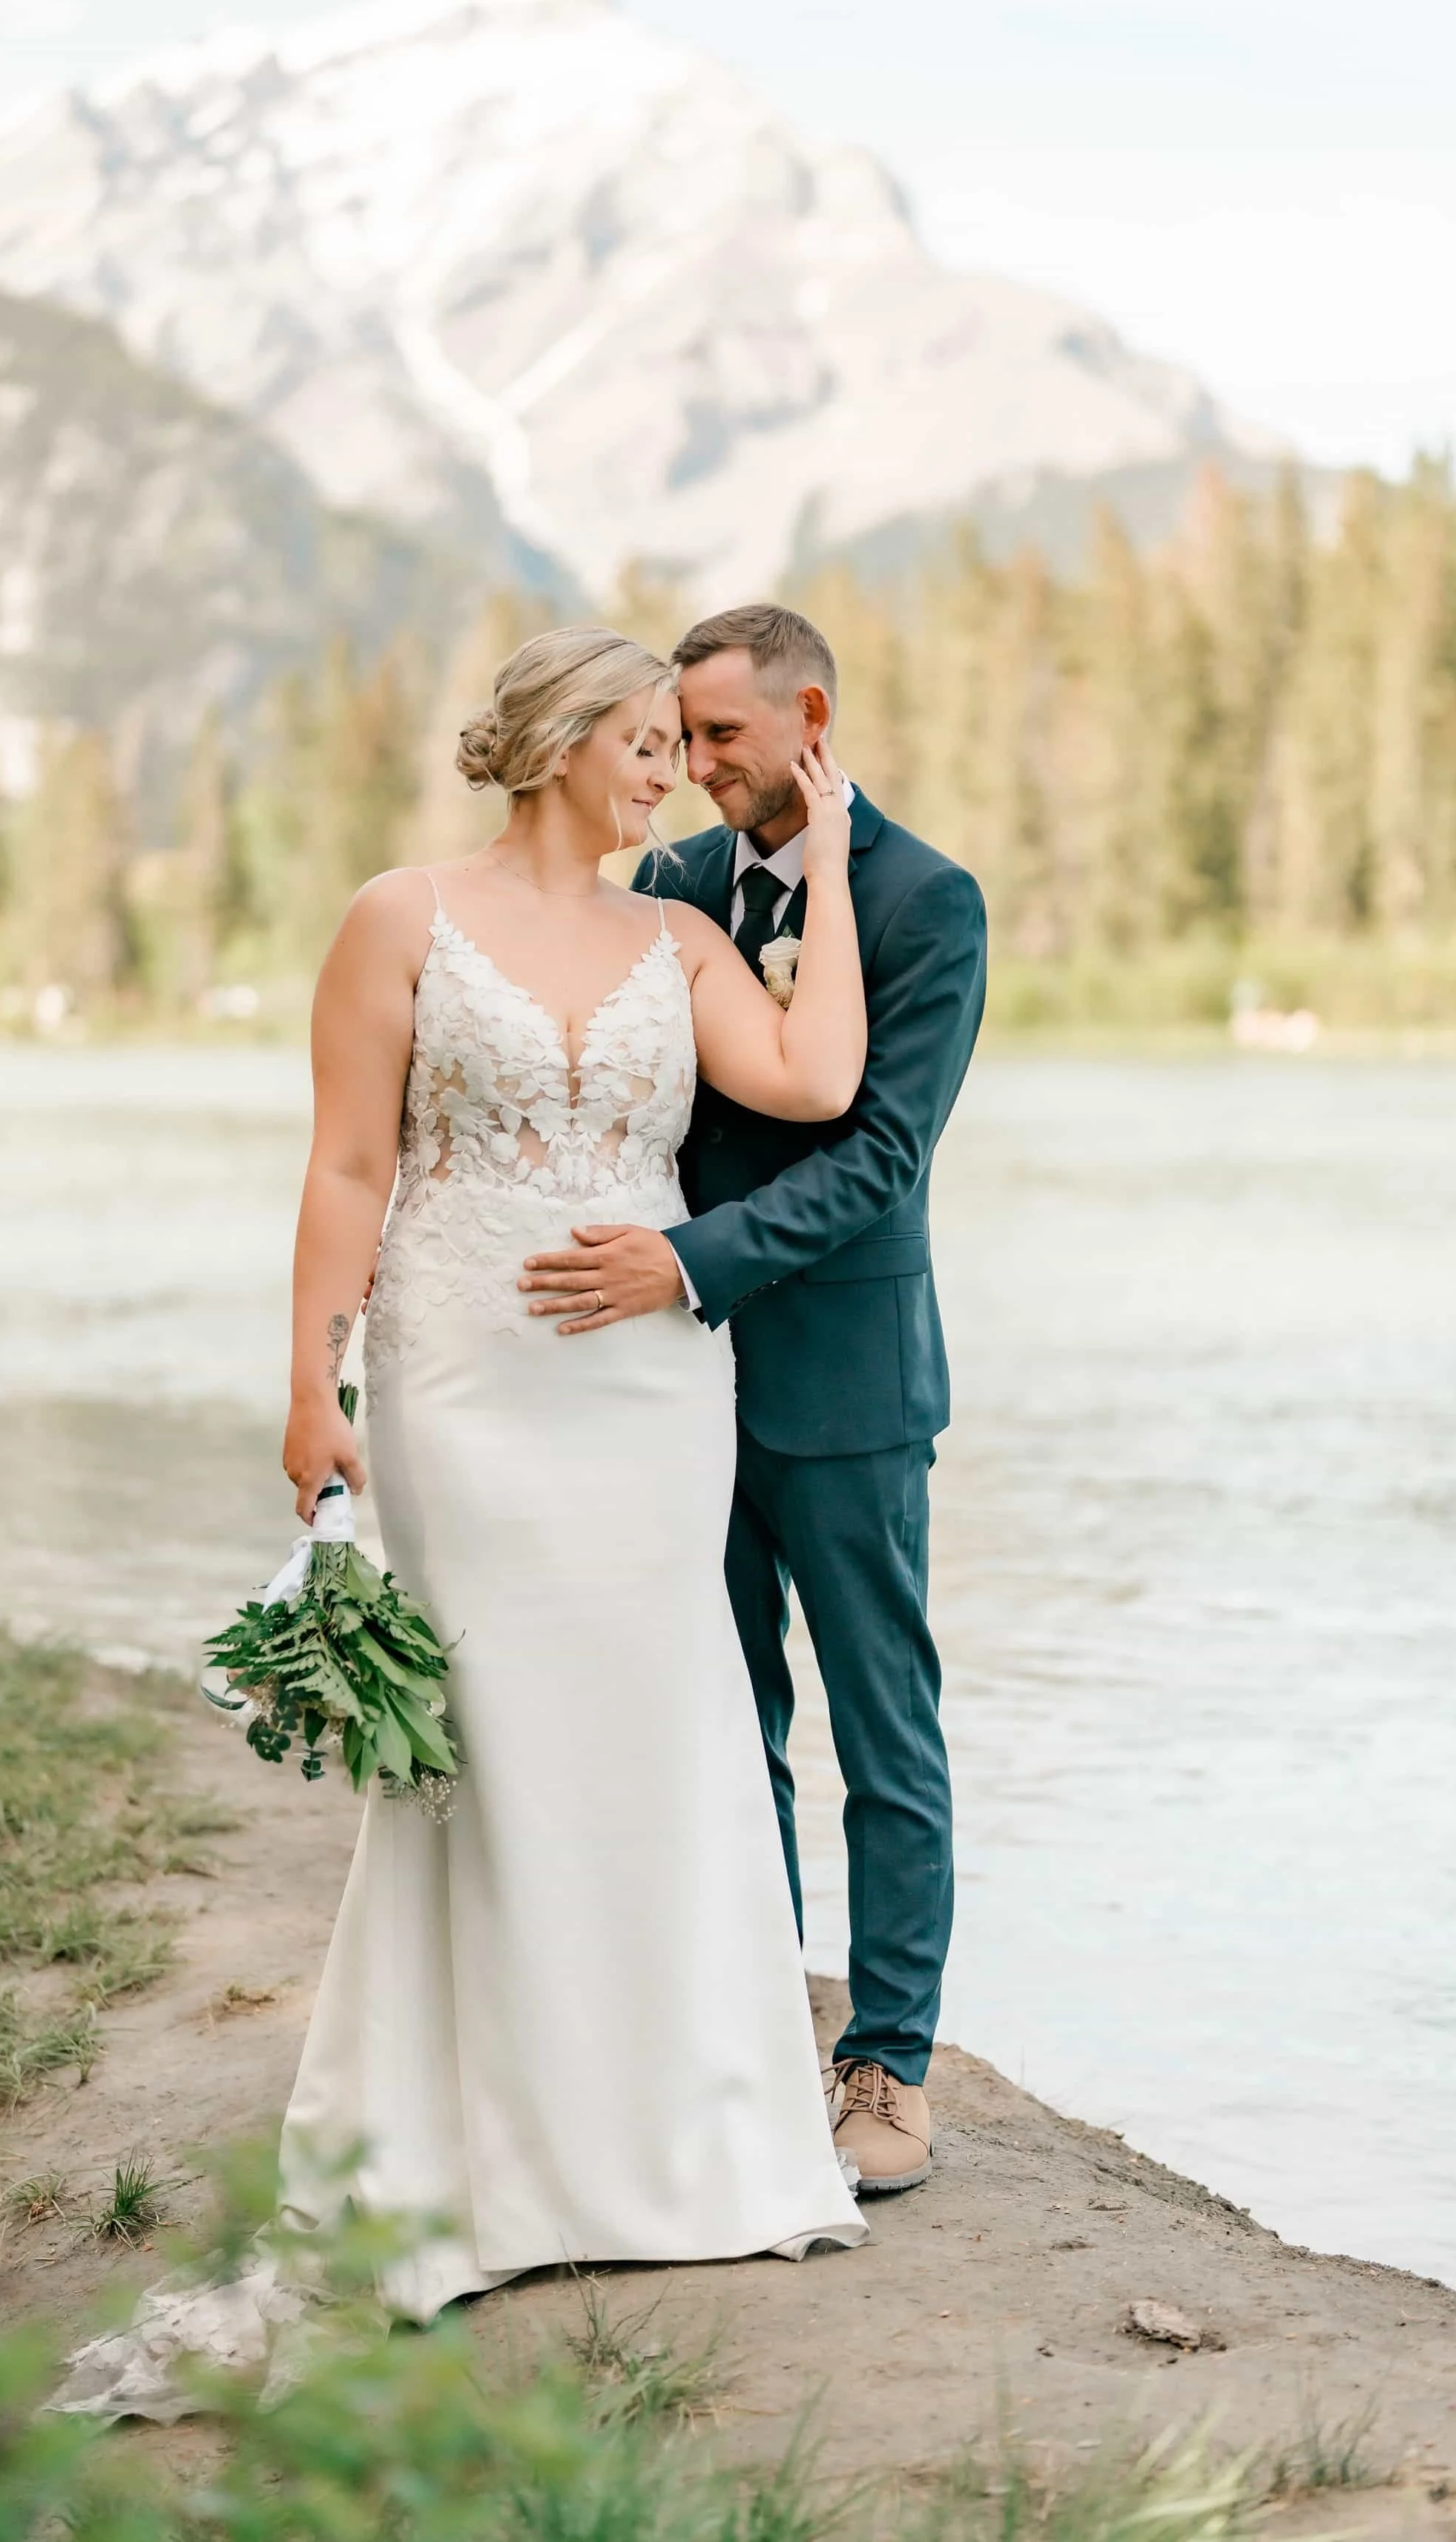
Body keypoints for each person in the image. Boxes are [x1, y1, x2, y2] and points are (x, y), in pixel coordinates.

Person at [265, 625, 869, 2319]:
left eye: (683, 742)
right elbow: (348, 1165)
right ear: (557, 740)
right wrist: (313, 1385)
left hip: (650, 1397)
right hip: (460, 1373)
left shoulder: (678, 935)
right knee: (498, 1737)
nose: (669, 768)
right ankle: (490, 2151)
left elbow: (815, 1081)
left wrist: (820, 874)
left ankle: (677, 2139)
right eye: (647, 738)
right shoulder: (401, 917)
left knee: (655, 1729)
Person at [518, 605, 988, 2198]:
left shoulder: (927, 902)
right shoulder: (672, 889)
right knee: (728, 1729)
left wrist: (684, 1263)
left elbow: (878, 1160)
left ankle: (889, 2068)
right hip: (676, 1395)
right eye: (675, 739)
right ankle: (745, 2028)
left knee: (882, 1729)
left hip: (843, 1385)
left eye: (715, 736)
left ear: (803, 715)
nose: (690, 767)